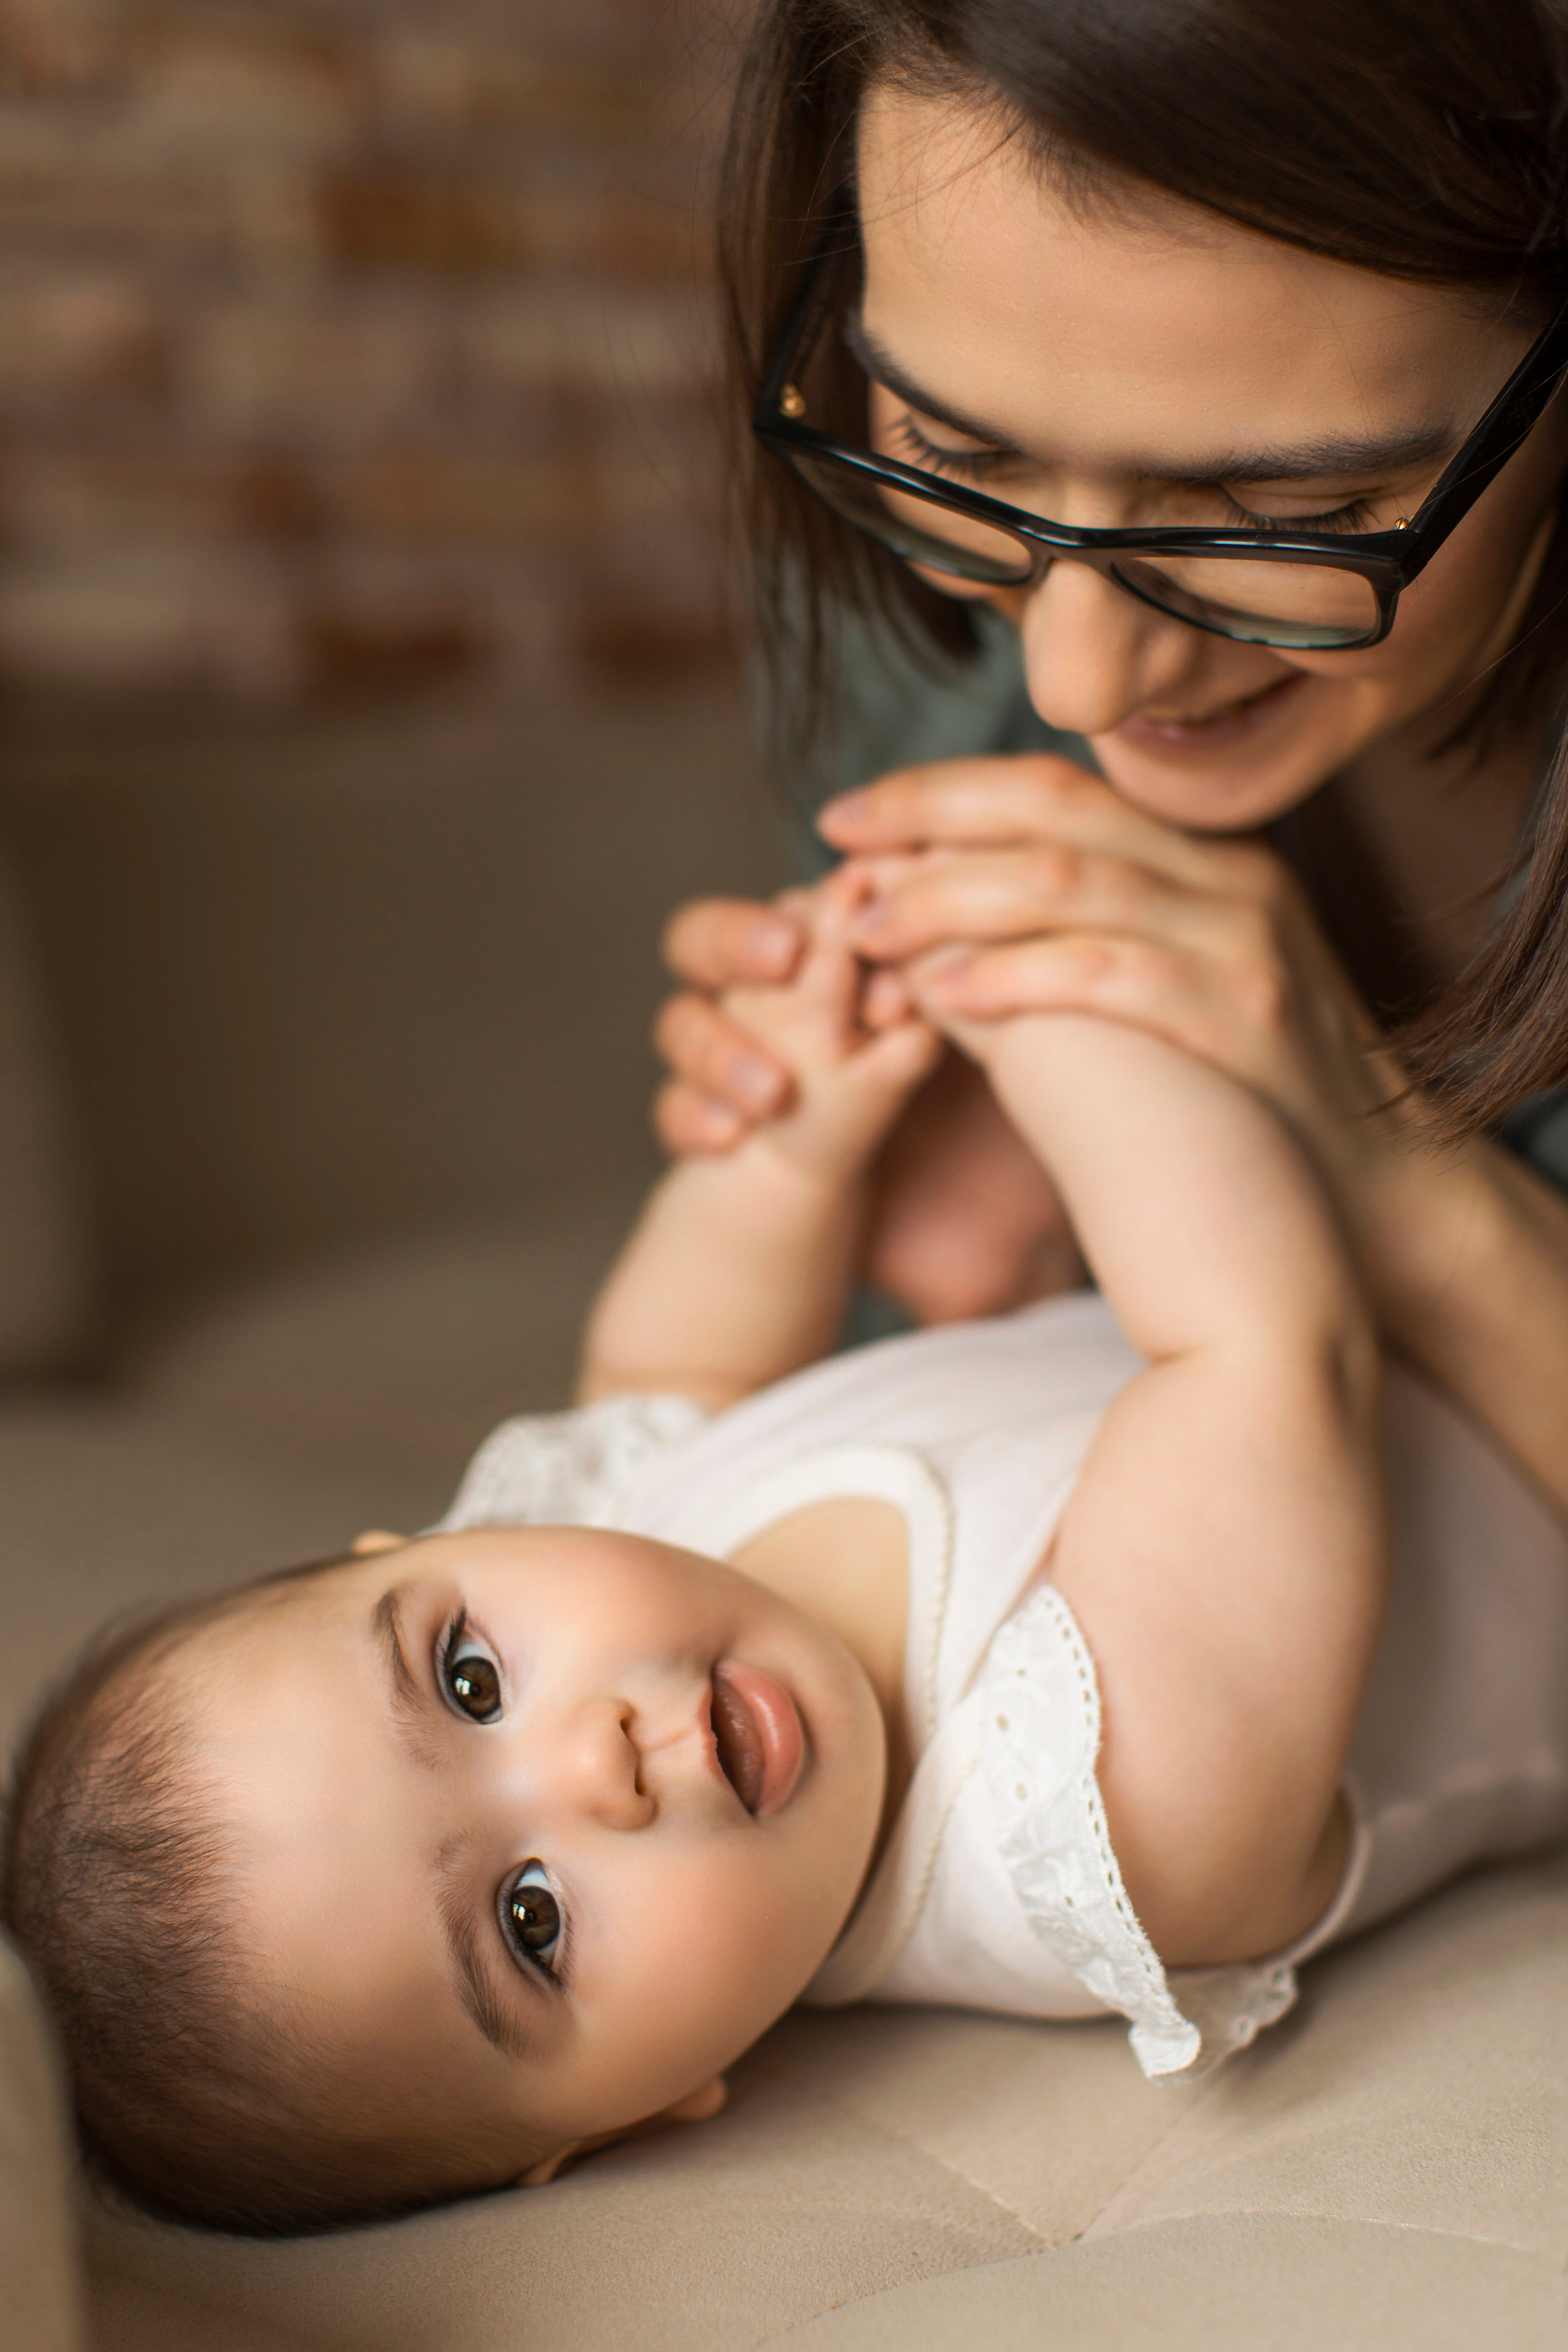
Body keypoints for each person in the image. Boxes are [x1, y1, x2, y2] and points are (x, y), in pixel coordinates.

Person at [6, 873, 1566, 2236]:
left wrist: (797, 1119)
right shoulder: (1090, 1822)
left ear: (431, 1546)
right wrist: (1044, 996)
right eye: (529, 1924)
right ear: (633, 2114)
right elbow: (1256, 1349)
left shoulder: (634, 1526)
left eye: (466, 1675)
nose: (594, 1764)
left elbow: (673, 1358)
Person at [657, 0, 1568, 1512]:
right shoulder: (896, 632)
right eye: (960, 453)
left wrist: (1392, 1180)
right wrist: (983, 1266)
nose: (1074, 680)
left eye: (1287, 519)